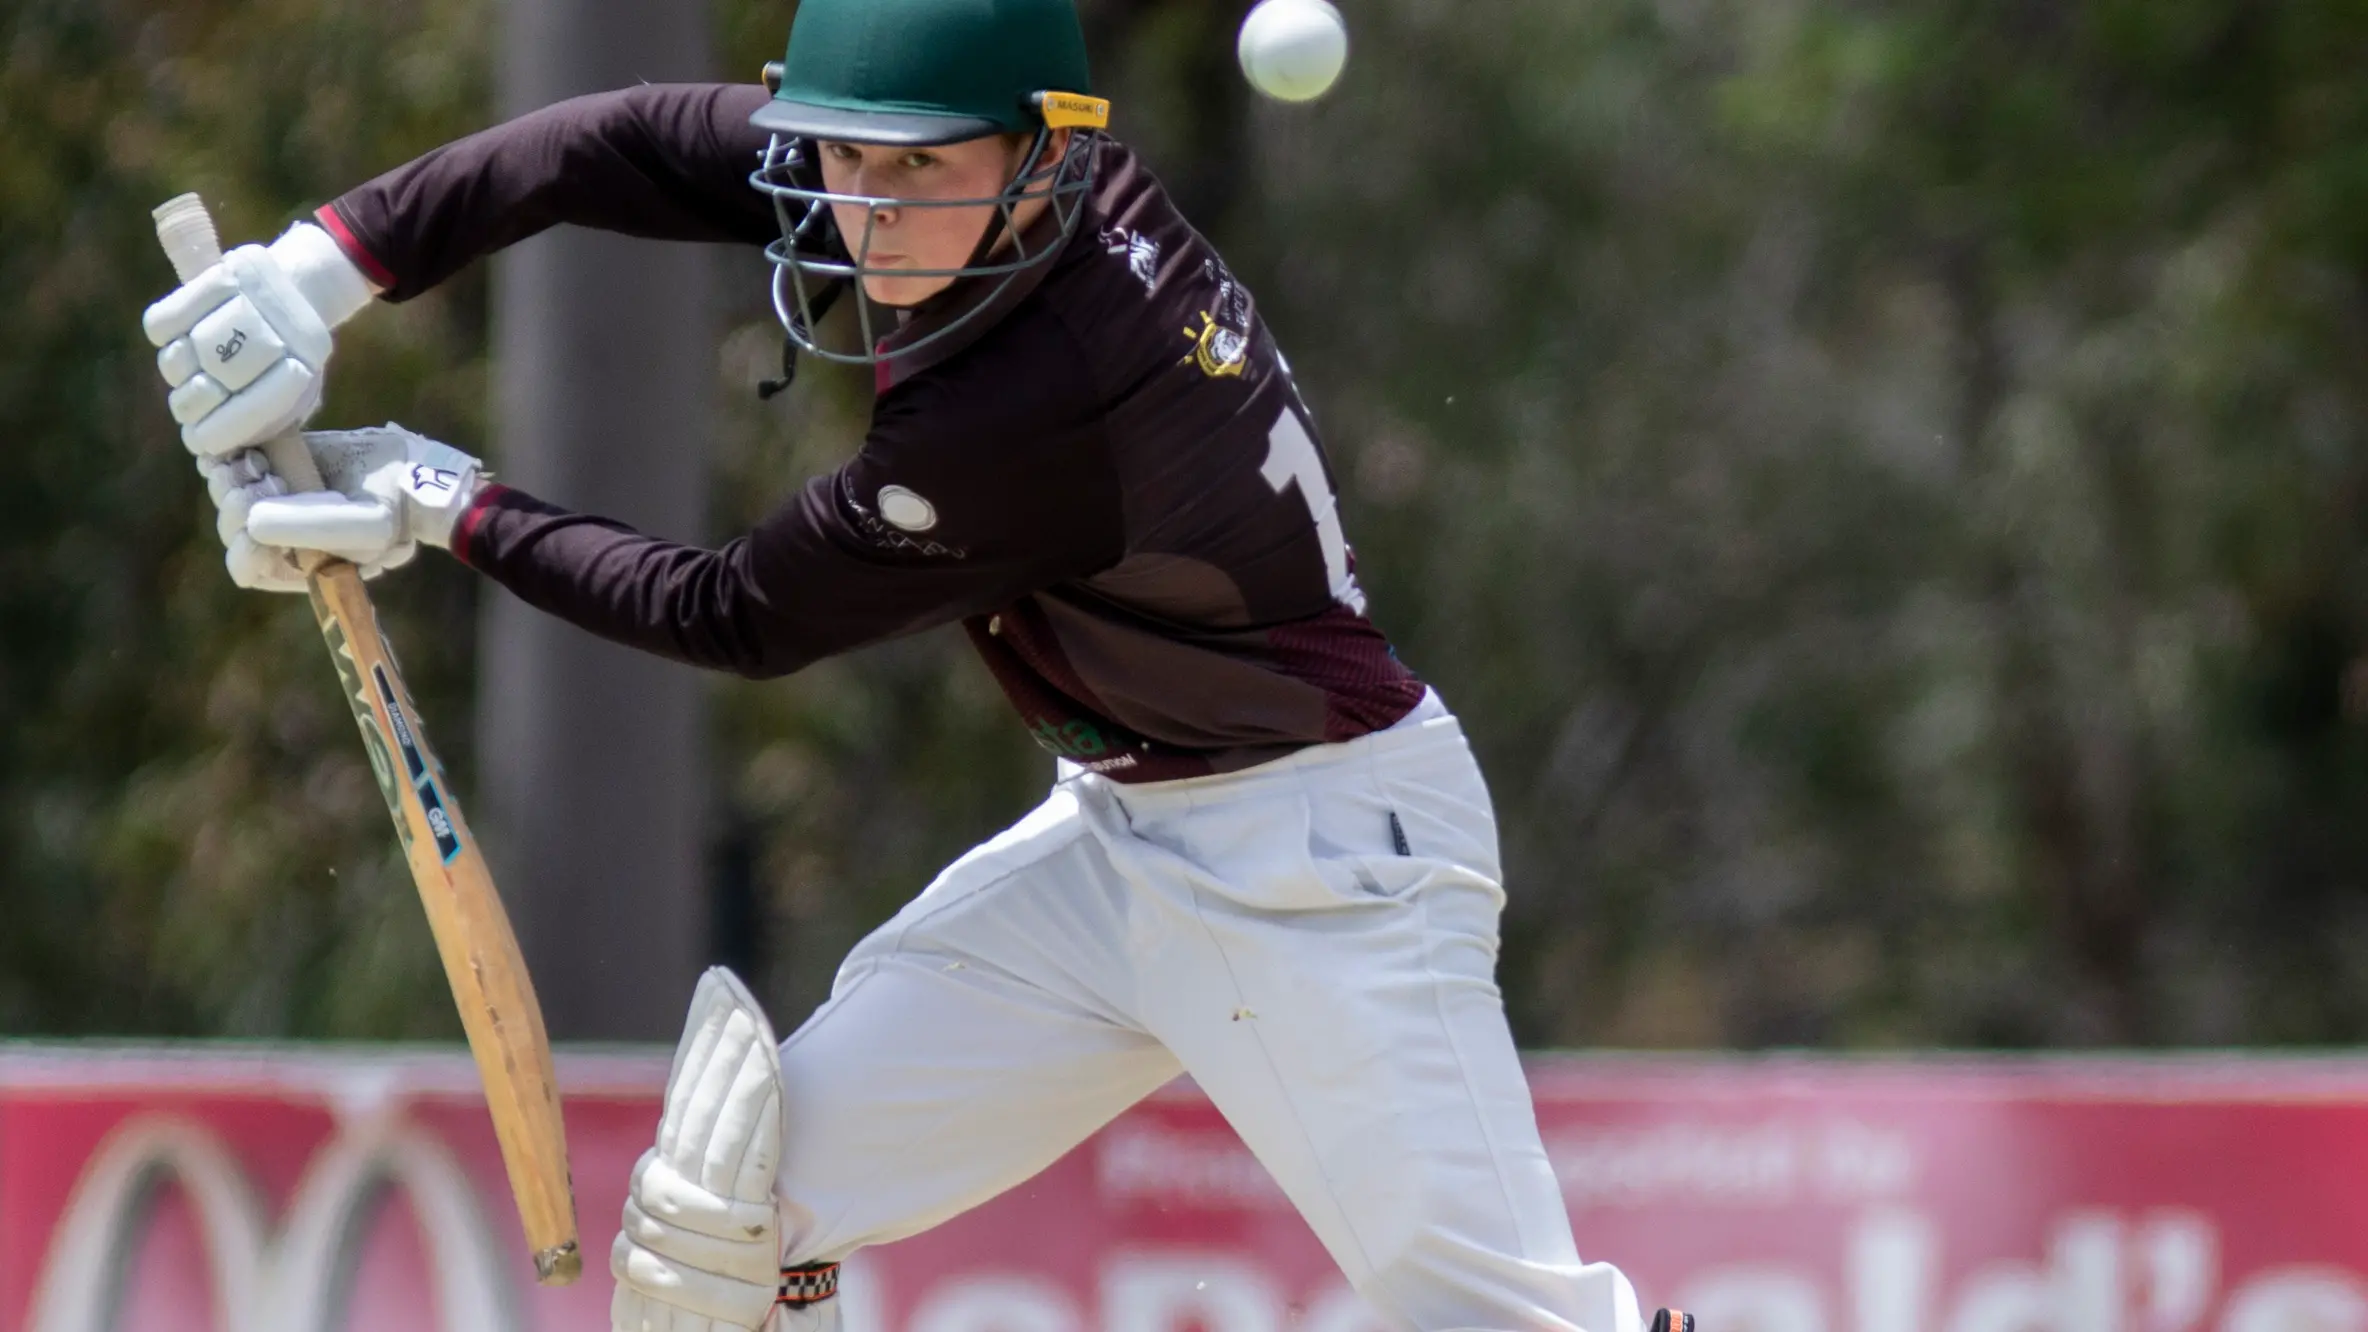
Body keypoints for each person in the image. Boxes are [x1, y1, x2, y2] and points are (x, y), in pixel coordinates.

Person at [141, 1, 1688, 1329]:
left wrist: (444, 503)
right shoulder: (973, 180)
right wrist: (325, 262)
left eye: (919, 169)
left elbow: (734, 616)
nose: (870, 214)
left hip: (1323, 869)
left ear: (1045, 156)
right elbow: (614, 141)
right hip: (1124, 842)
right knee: (722, 1223)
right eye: (843, 160)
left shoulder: (1033, 403)